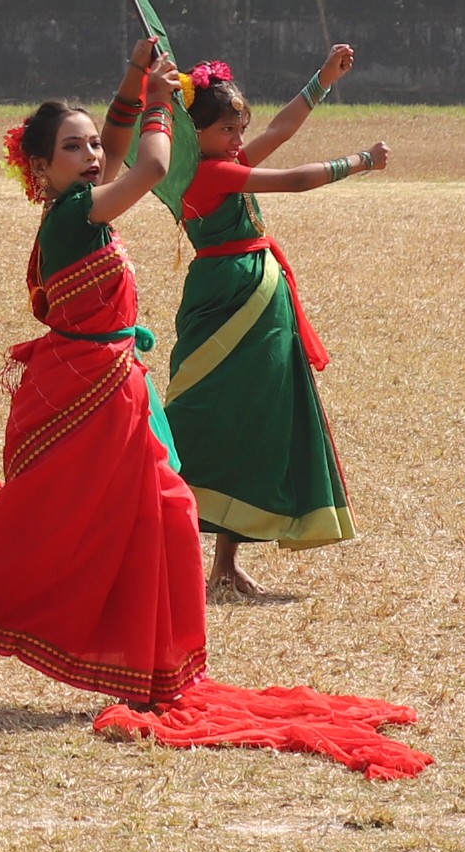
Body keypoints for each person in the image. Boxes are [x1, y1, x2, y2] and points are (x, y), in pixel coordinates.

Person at [0, 39, 208, 715]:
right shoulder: (74, 215)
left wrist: (133, 77)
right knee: (34, 537)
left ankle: (153, 674)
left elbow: (117, 153)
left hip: (111, 388)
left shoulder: (84, 199)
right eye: (72, 148)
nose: (90, 155)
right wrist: (157, 105)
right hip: (80, 397)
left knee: (166, 514)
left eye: (90, 145)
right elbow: (145, 164)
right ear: (41, 167)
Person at [164, 48, 388, 599]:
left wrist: (322, 81)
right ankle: (167, 542)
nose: (238, 137)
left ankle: (225, 566)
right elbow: (292, 179)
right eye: (226, 129)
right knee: (220, 416)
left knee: (253, 417)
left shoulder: (223, 162)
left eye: (241, 126)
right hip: (231, 299)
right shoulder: (209, 173)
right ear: (196, 134)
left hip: (253, 297)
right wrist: (359, 161)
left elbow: (282, 130)